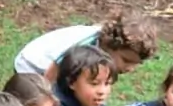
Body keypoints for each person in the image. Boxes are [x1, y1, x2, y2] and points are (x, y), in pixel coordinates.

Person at [12, 11, 158, 81]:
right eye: (126, 60)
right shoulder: (85, 43)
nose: (130, 68)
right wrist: (48, 99)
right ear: (112, 44)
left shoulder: (103, 50)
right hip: (33, 64)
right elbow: (54, 68)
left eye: (136, 64)